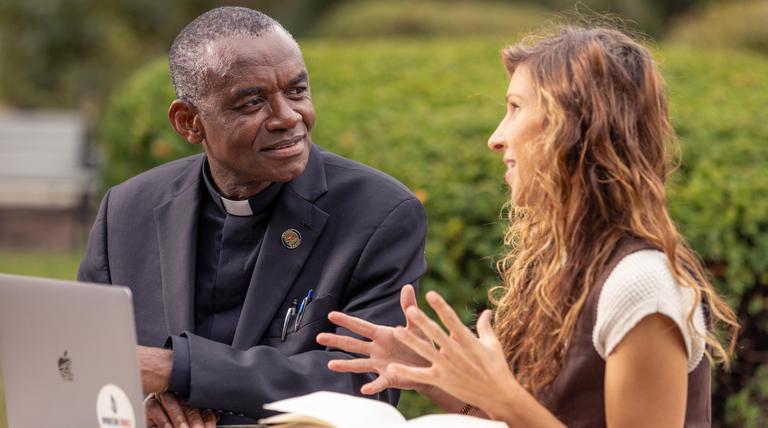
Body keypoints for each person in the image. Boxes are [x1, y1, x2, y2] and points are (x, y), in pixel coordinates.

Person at [317, 26, 739, 427]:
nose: (496, 137)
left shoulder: (640, 284)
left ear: (575, 128)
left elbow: (514, 412)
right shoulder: (565, 262)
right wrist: (429, 373)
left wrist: (503, 396)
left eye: (516, 108)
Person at [77, 6, 427, 427]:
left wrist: (177, 369)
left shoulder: (379, 214)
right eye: (253, 102)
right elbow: (83, 359)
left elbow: (364, 383)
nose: (288, 117)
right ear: (189, 122)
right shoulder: (127, 211)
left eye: (297, 91)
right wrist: (141, 399)